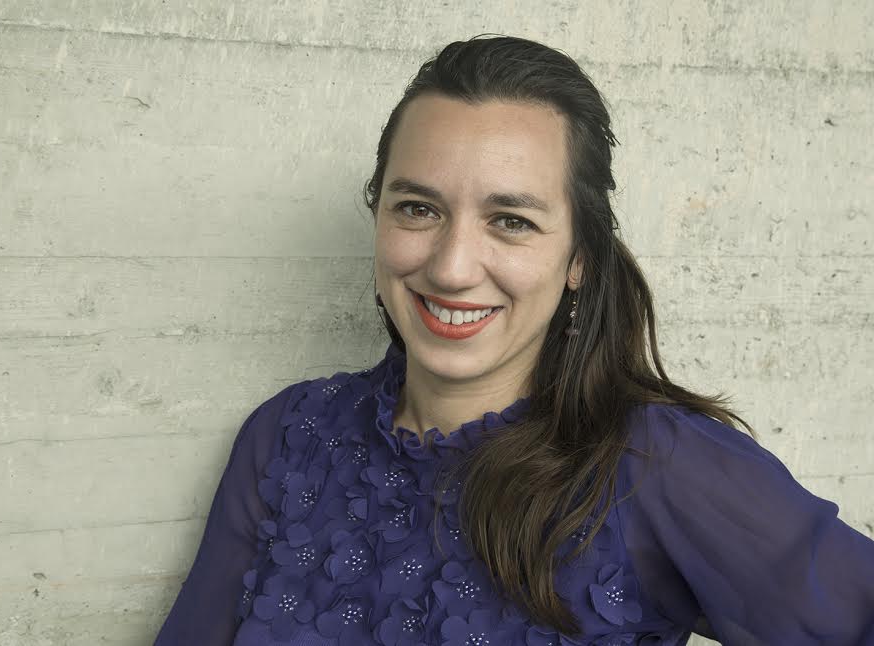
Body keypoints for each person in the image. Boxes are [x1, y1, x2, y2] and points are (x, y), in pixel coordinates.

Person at [154, 35, 874, 646]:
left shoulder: (655, 464)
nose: (452, 267)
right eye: (418, 208)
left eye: (512, 221)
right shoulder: (287, 436)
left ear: (578, 258)